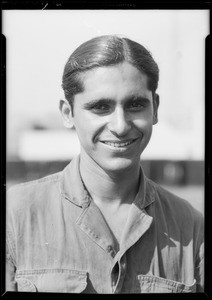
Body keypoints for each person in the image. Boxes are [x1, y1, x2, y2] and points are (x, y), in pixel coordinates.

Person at [6, 35, 204, 293]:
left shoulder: (191, 226)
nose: (120, 126)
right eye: (100, 107)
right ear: (68, 113)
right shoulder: (15, 214)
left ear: (154, 108)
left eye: (135, 104)